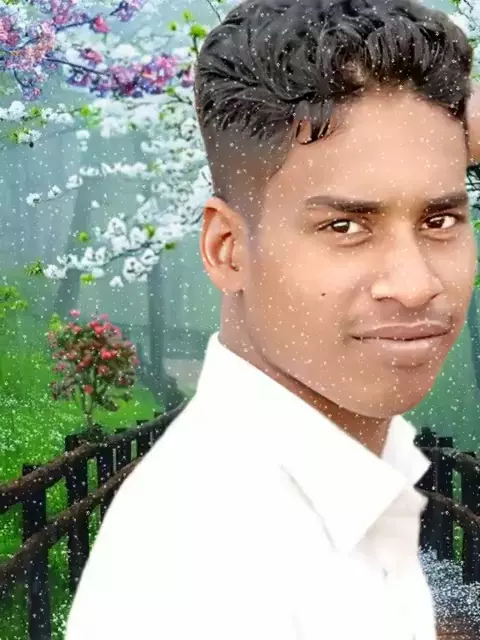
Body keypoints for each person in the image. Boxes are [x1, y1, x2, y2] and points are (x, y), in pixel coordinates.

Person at [65, 1, 480, 638]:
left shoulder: (326, 492)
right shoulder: (203, 582)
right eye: (344, 227)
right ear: (228, 249)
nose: (416, 284)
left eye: (440, 219)